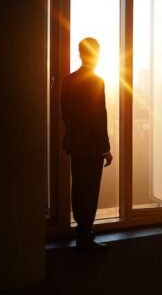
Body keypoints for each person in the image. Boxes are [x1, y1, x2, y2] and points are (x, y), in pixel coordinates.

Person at [61, 37, 113, 252]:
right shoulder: (96, 81)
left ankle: (81, 233)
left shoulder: (68, 80)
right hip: (92, 147)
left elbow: (65, 113)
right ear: (95, 55)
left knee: (78, 188)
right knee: (90, 191)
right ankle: (85, 236)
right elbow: (99, 117)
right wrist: (105, 149)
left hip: (75, 144)